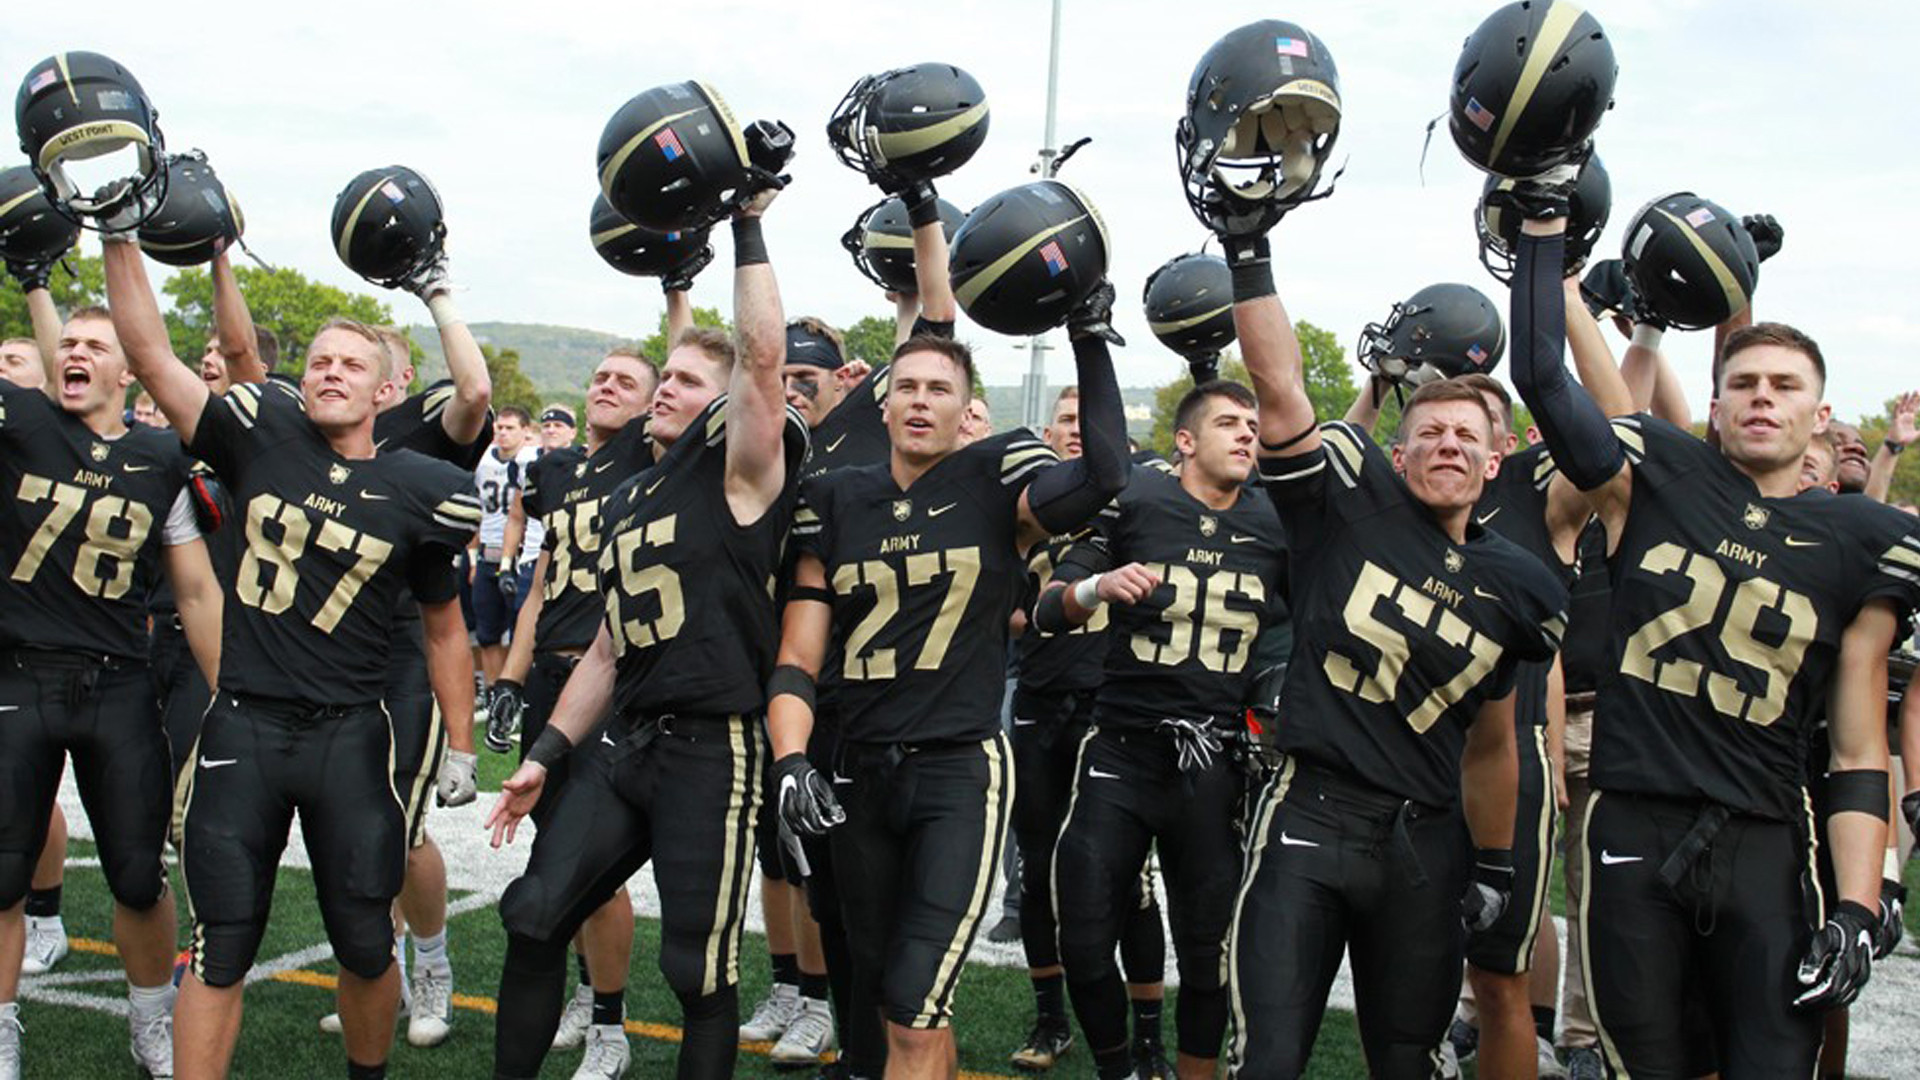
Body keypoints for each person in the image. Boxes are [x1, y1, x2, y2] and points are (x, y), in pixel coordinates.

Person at [1505, 183, 1920, 1076]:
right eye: (1744, 384)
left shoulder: (1865, 541)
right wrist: (1541, 222)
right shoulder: (1657, 475)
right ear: (1720, 405)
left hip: (1767, 832)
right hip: (1634, 823)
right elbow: (1542, 376)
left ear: (1820, 409)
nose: (1762, 398)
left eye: (1785, 386)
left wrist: (1855, 903)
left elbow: (1854, 752)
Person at [1225, 216, 1567, 1078]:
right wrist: (1247, 249)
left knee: (1406, 1060)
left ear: (1496, 463)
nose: (1447, 444)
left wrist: (1493, 861)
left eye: (1466, 437)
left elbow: (1493, 742)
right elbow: (1278, 386)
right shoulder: (1348, 511)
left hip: (1427, 840)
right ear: (1400, 447)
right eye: (1431, 432)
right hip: (1311, 811)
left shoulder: (1520, 584)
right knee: (1267, 1055)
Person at [768, 273, 1128, 1078]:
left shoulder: (999, 482)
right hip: (856, 769)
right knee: (878, 983)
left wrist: (1088, 338)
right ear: (884, 405)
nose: (922, 400)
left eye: (941, 388)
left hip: (957, 770)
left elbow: (1105, 475)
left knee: (913, 993)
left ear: (966, 408)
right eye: (908, 388)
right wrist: (793, 758)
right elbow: (799, 654)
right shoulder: (835, 498)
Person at [484, 185, 803, 1080]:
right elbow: (605, 648)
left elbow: (766, 360)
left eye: (689, 381)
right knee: (534, 911)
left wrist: (746, 225)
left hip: (718, 747)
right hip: (628, 739)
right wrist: (549, 747)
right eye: (664, 377)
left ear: (727, 403)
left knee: (695, 970)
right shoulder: (631, 495)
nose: (667, 389)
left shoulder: (741, 476)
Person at [0, 304, 223, 1080]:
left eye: (97, 345)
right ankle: (0, 1031)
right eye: (68, 344)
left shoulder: (162, 457)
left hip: (119, 681)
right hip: (18, 673)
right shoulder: (22, 423)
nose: (76, 353)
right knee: (2, 869)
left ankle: (151, 1021)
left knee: (137, 872)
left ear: (127, 371)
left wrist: (229, 692)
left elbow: (195, 591)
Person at [1039, 378, 1283, 1080]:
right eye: (1229, 423)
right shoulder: (1138, 500)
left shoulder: (1274, 524)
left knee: (1209, 953)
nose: (1246, 434)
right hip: (1122, 748)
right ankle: (1119, 1069)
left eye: (1252, 425)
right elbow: (1051, 606)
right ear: (1184, 440)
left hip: (1212, 762)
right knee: (1083, 939)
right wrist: (1098, 588)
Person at [489, 345, 665, 1078]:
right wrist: (508, 675)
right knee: (548, 856)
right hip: (551, 678)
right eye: (600, 375)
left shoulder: (644, 459)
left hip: (607, 679)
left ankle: (607, 1021)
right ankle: (572, 993)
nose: (606, 386)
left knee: (597, 867)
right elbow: (539, 585)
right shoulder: (557, 470)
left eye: (627, 380)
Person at [1005, 386, 1171, 1077]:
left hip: (1116, 703)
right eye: (1067, 421)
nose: (1078, 432)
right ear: (1049, 431)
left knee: (1131, 879)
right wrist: (1045, 608)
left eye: (1088, 421)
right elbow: (1001, 606)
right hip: (1041, 697)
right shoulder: (1024, 501)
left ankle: (1150, 1036)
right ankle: (1051, 1018)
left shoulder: (1142, 494)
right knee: (1039, 872)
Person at [473, 405, 541, 686]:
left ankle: (515, 694)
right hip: (487, 552)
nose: (502, 433)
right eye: (499, 428)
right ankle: (492, 694)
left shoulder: (534, 460)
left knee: (521, 634)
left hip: (521, 557)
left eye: (509, 428)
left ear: (526, 432)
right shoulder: (482, 461)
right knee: (486, 633)